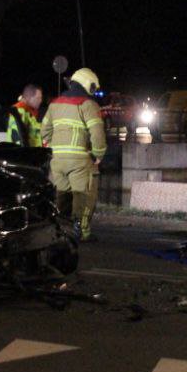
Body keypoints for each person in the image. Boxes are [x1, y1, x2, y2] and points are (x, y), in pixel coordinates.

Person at [41, 67, 107, 242]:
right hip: (80, 160)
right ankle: (81, 231)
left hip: (57, 160)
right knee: (84, 196)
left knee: (60, 196)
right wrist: (98, 154)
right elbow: (97, 133)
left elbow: (45, 131)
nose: (94, 91)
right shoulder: (88, 105)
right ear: (88, 84)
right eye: (93, 87)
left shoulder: (55, 104)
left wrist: (53, 148)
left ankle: (57, 231)